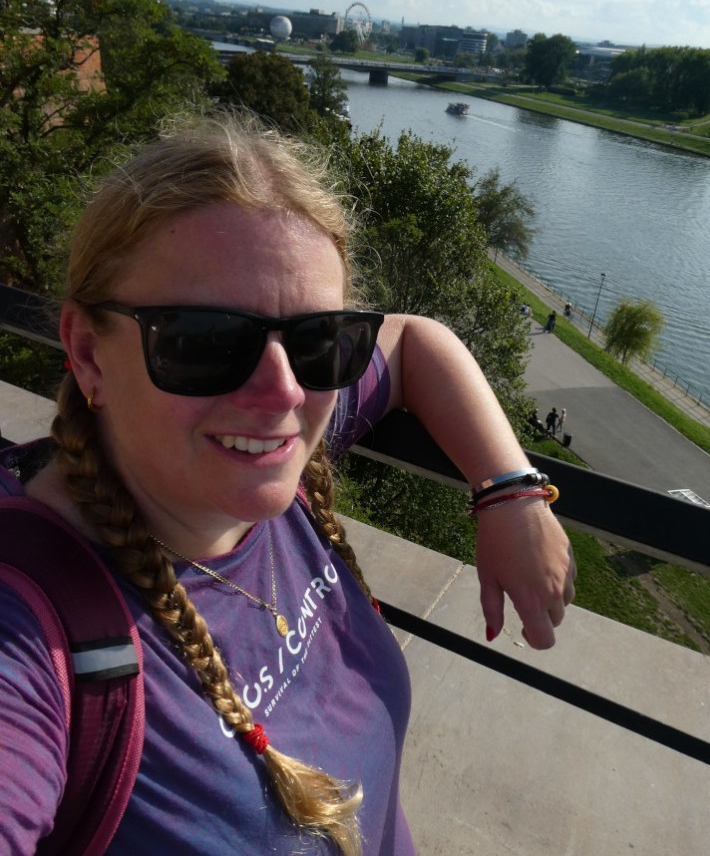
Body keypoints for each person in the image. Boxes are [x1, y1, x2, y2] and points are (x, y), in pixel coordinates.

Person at [0, 115, 575, 855]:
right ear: (87, 351)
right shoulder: (32, 634)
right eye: (204, 341)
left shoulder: (262, 451)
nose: (282, 392)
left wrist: (510, 491)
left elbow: (411, 338)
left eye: (320, 341)